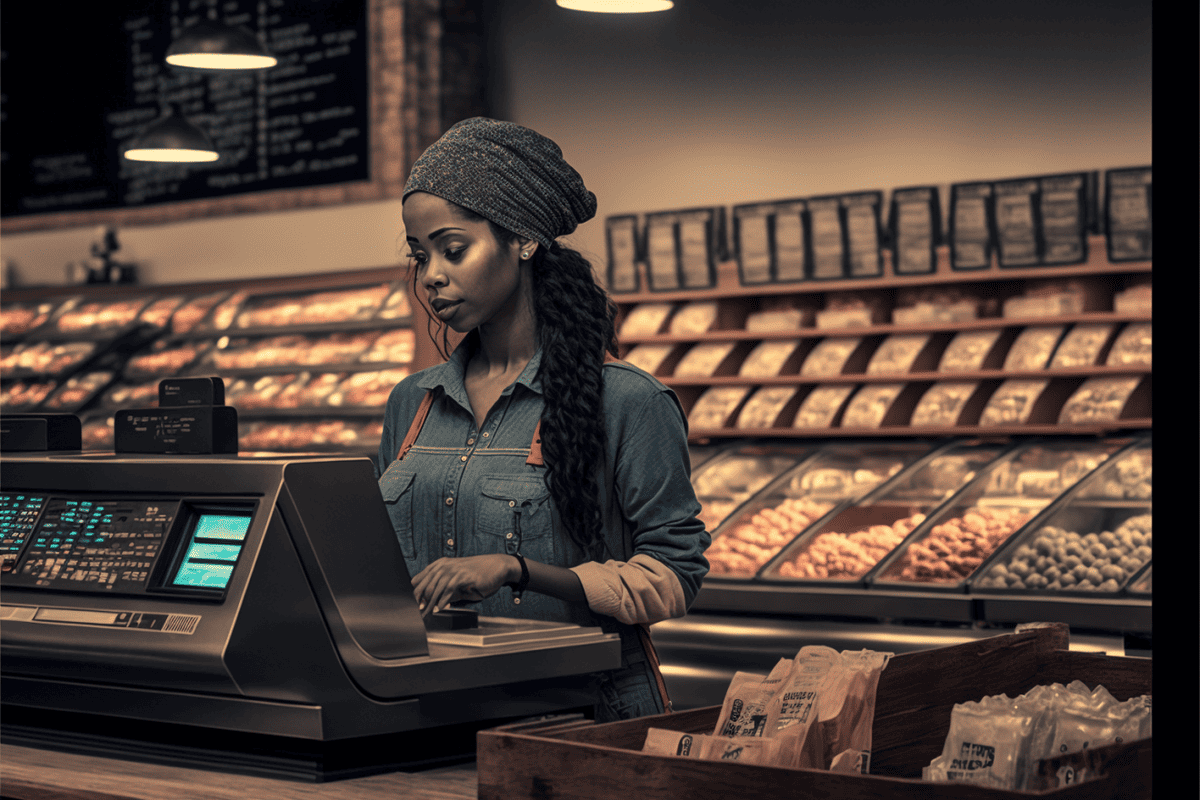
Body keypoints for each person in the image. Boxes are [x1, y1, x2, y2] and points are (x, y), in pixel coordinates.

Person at [377, 117, 710, 722]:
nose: (431, 276)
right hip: (437, 715)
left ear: (523, 240)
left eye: (453, 250)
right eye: (419, 255)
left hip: (582, 718)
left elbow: (673, 575)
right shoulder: (412, 403)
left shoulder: (627, 400)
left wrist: (519, 570)